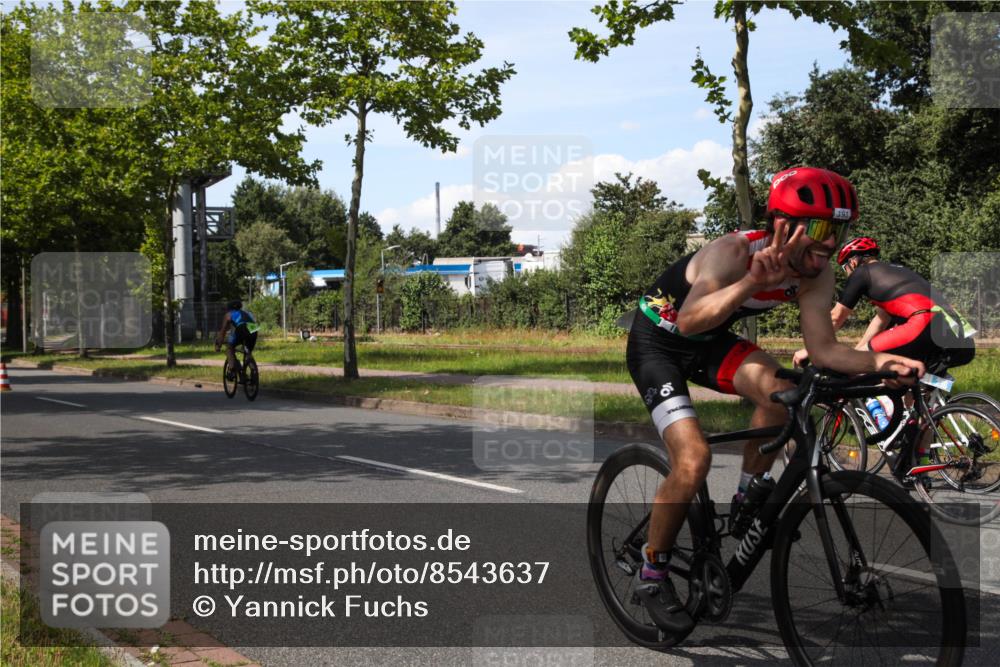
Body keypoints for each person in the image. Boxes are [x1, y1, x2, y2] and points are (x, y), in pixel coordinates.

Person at [626, 167, 923, 633]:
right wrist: (748, 284)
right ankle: (652, 571)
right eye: (821, 229)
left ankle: (748, 493)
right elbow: (686, 321)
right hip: (658, 344)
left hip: (712, 343)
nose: (829, 244)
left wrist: (880, 363)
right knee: (693, 458)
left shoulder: (815, 276)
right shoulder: (732, 253)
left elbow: (824, 350)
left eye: (839, 230)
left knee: (783, 393)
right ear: (782, 225)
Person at [792, 236, 975, 370]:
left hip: (925, 322)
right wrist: (858, 350)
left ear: (854, 261)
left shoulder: (862, 273)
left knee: (863, 366)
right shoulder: (898, 272)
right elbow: (880, 321)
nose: (845, 271)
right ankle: (924, 419)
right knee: (911, 381)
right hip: (959, 330)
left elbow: (835, 317)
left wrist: (810, 349)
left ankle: (880, 413)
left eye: (844, 266)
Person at [215, 300, 259, 376]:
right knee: (247, 351)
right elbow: (254, 322)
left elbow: (223, 331)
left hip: (242, 328)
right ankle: (253, 371)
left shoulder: (229, 314)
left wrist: (219, 344)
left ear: (229, 308)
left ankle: (231, 370)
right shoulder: (248, 313)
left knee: (229, 347)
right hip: (254, 329)